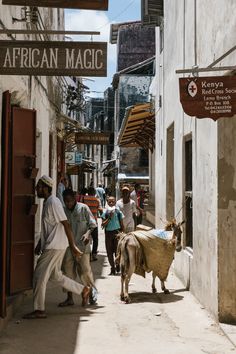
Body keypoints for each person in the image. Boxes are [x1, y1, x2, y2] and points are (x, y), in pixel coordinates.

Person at [23, 175, 91, 319]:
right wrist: (40, 244)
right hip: (54, 245)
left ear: (46, 188)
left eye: (39, 187)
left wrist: (73, 246)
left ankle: (39, 310)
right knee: (56, 276)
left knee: (38, 276)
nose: (36, 189)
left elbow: (66, 224)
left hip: (55, 246)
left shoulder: (53, 202)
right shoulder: (48, 202)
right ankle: (83, 290)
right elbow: (50, 227)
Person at [59, 189, 98, 307]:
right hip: (68, 247)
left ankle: (91, 293)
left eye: (70, 201)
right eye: (66, 201)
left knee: (85, 272)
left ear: (75, 198)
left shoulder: (83, 208)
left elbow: (92, 224)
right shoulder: (63, 211)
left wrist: (87, 233)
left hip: (82, 247)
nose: (68, 203)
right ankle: (69, 298)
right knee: (67, 273)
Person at [101, 196, 124, 275]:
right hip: (108, 234)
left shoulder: (118, 212)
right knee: (109, 252)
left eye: (113, 202)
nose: (111, 203)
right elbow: (103, 224)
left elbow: (122, 224)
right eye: (109, 202)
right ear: (107, 203)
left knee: (117, 251)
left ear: (115, 202)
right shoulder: (105, 212)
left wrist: (122, 233)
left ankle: (117, 264)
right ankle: (112, 268)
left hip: (117, 233)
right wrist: (109, 218)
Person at [83, 187, 103, 261]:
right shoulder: (97, 200)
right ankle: (94, 254)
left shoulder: (84, 199)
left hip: (85, 222)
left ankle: (86, 254)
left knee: (85, 238)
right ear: (94, 193)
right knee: (95, 239)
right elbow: (100, 210)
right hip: (94, 222)